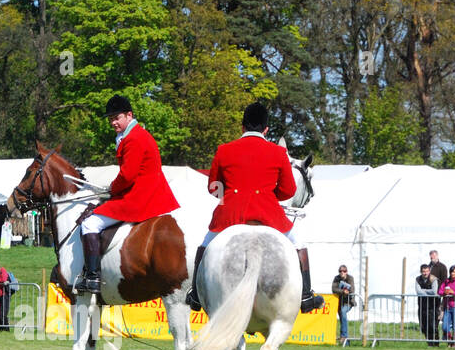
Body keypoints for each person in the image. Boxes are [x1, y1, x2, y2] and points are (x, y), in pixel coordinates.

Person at [190, 101, 320, 312]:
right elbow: (288, 191)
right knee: (299, 244)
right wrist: (268, 197)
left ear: (242, 127)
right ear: (266, 129)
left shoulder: (224, 150)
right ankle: (306, 296)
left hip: (229, 215)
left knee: (204, 246)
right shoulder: (278, 153)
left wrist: (231, 196)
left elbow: (213, 187)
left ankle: (195, 295)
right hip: (267, 214)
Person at [75, 94, 179, 294]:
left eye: (117, 117)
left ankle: (93, 277)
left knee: (90, 223)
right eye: (110, 119)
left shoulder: (133, 138)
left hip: (138, 197)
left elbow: (128, 175)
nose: (113, 122)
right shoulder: (135, 134)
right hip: (148, 192)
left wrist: (112, 188)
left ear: (129, 115)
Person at [415, 263, 439, 345]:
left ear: (429, 271)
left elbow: (434, 291)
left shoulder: (433, 279)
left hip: (433, 306)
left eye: (427, 271)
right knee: (423, 326)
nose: (425, 273)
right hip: (422, 306)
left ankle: (435, 343)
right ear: (421, 272)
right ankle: (429, 342)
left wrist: (423, 291)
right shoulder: (418, 279)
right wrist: (426, 292)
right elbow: (418, 292)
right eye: (423, 271)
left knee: (433, 325)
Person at [331, 265, 353, 343]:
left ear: (346, 272)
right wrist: (343, 291)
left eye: (344, 271)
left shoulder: (350, 278)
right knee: (341, 319)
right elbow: (334, 289)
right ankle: (345, 342)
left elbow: (352, 289)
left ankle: (344, 336)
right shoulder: (336, 278)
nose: (342, 272)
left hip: (348, 302)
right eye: (340, 271)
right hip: (339, 302)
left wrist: (347, 291)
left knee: (343, 312)